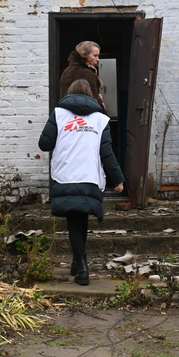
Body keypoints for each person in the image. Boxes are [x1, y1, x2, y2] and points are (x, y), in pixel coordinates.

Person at [38, 79, 124, 285]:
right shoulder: (100, 119)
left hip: (66, 173)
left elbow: (44, 144)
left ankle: (82, 267)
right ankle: (78, 264)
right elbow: (107, 153)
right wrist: (118, 178)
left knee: (74, 219)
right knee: (81, 217)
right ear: (92, 95)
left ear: (69, 93)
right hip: (89, 175)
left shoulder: (59, 114)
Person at [58, 40, 106, 112]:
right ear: (84, 55)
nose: (98, 59)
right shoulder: (88, 73)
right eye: (95, 56)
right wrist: (102, 108)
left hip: (67, 114)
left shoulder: (66, 71)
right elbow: (94, 98)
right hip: (85, 114)